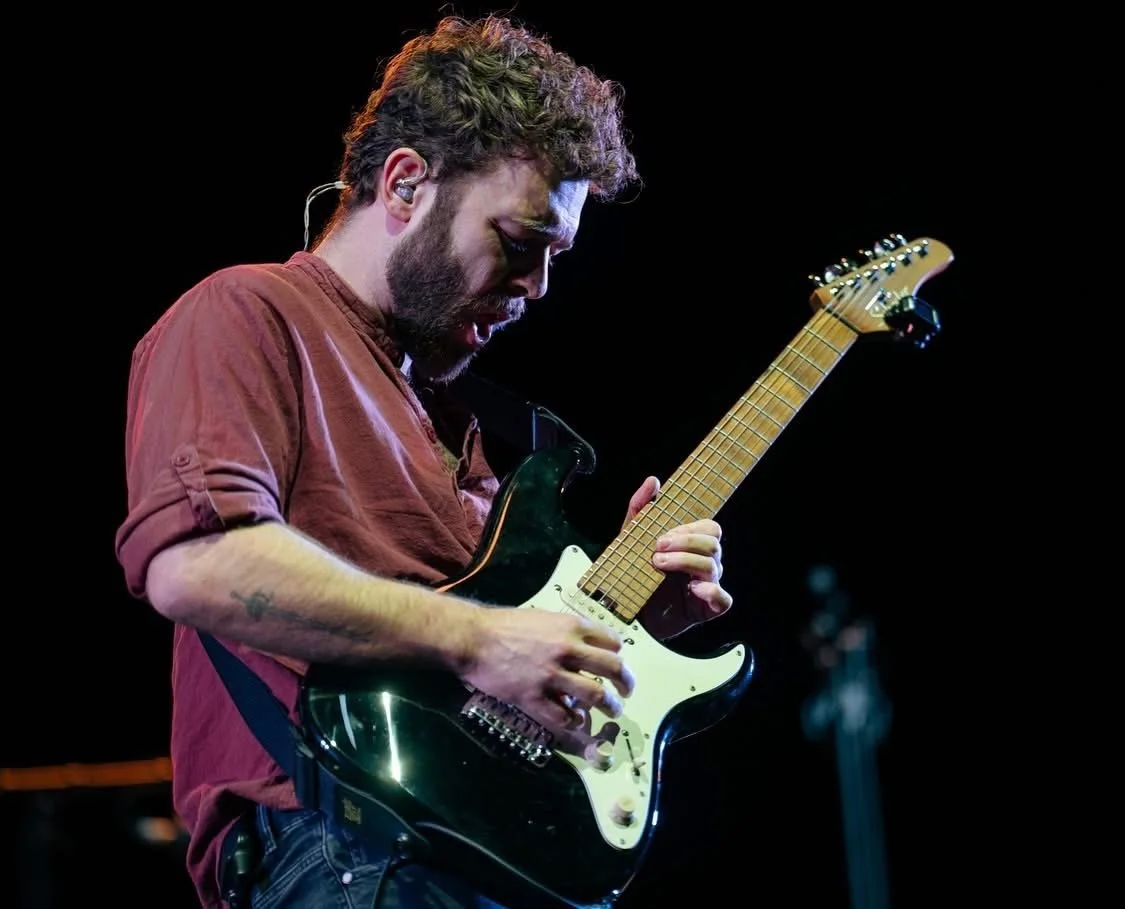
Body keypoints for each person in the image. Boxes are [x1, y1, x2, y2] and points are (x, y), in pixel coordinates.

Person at [113, 14, 734, 909]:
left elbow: (477, 675)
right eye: (519, 240)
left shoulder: (457, 420)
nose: (537, 287)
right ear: (406, 183)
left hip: (482, 855)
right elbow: (197, 566)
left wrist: (625, 624)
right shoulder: (247, 312)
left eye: (555, 256)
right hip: (346, 850)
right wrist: (484, 638)